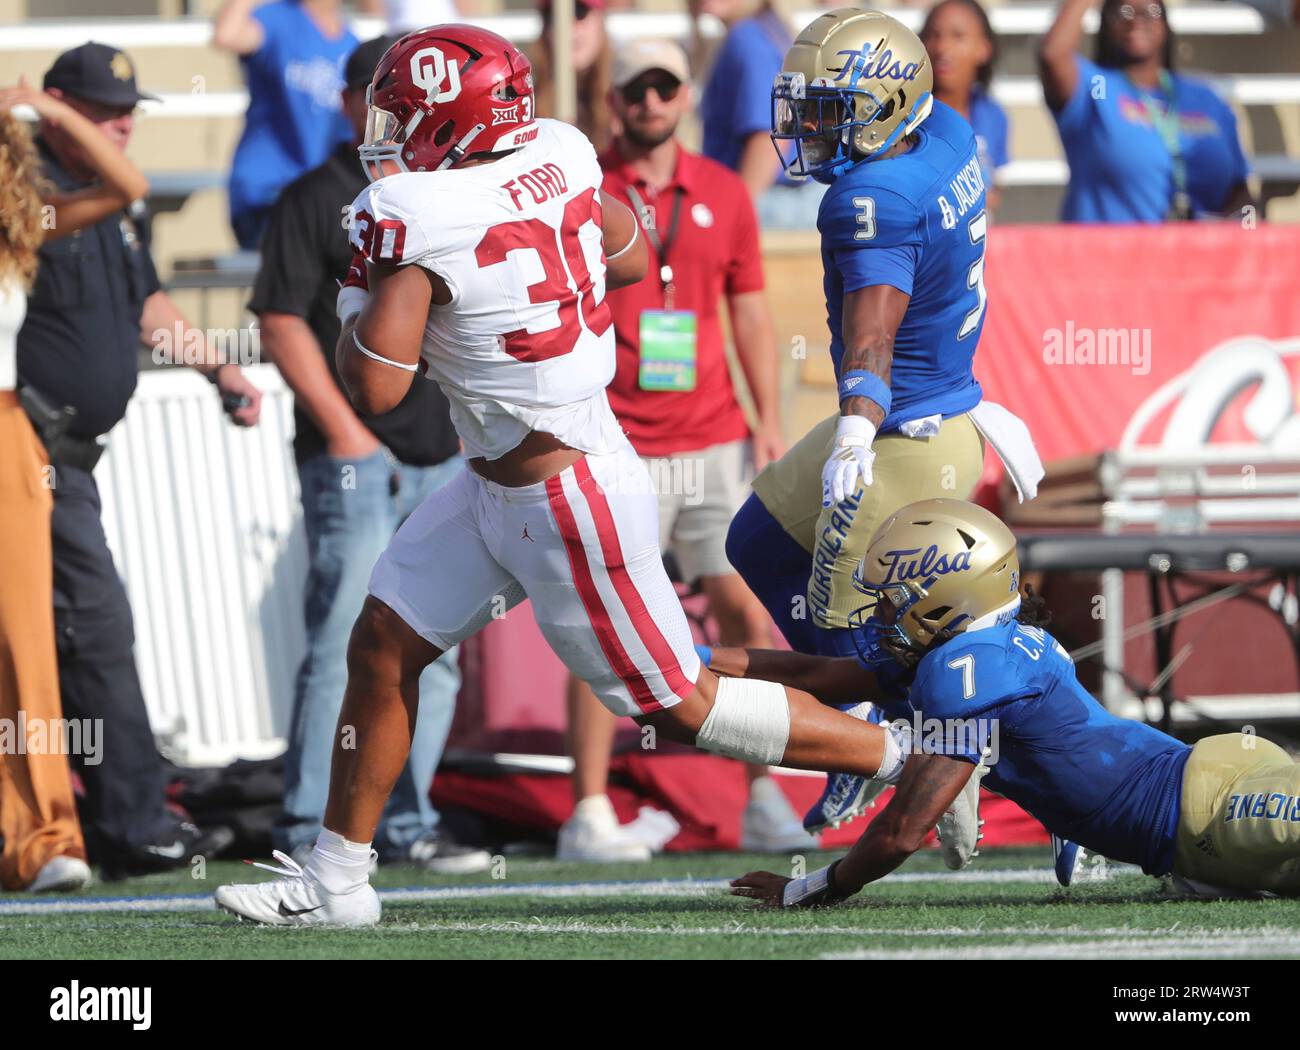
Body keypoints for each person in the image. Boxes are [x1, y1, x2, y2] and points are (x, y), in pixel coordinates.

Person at [214, 25, 921, 928]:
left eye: (404, 111)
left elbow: (377, 388)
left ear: (451, 120)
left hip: (566, 493)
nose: (386, 127)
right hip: (496, 482)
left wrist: (364, 291)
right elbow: (632, 254)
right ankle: (337, 880)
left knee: (679, 704)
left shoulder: (412, 217)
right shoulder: (561, 149)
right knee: (384, 648)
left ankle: (905, 753)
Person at [725, 8, 1043, 845]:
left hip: (902, 432)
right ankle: (890, 723)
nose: (811, 127)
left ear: (884, 104)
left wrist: (860, 431)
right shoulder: (945, 126)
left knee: (859, 643)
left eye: (832, 109)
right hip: (937, 402)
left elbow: (873, 334)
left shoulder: (871, 198)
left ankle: (998, 766)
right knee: (758, 539)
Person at [720, 498, 1300, 906]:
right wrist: (677, 661)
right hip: (1205, 811)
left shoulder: (968, 664)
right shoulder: (977, 649)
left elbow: (903, 829)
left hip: (1211, 808)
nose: (879, 615)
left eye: (893, 599)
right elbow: (809, 672)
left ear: (947, 597)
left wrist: (811, 889)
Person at [556, 39, 808, 862]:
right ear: (615, 99)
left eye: (665, 87)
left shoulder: (726, 189)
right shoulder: (584, 186)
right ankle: (588, 809)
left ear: (686, 96)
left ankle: (763, 795)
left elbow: (750, 311)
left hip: (711, 436)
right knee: (602, 622)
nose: (652, 102)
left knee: (742, 609)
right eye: (637, 88)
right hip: (616, 436)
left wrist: (768, 416)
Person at [16, 42, 262, 879]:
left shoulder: (112, 203)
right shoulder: (28, 190)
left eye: (128, 110)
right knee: (95, 627)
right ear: (53, 105)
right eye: (100, 108)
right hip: (31, 454)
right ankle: (130, 824)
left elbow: (146, 300)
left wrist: (218, 368)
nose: (122, 121)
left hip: (70, 460)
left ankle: (105, 819)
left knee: (68, 633)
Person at [249, 36, 489, 875]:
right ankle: (306, 826)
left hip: (437, 452)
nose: (395, 115)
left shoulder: (443, 194)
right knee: (345, 644)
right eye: (380, 98)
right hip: (354, 456)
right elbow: (279, 319)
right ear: (353, 103)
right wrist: (347, 428)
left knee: (438, 653)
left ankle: (405, 822)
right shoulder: (318, 195)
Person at [0, 76, 155, 893]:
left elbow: (128, 187)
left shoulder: (20, 228)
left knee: (25, 647)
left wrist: (49, 109)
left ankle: (41, 838)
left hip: (8, 438)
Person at [1039, 0, 1252, 222]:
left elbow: (1243, 196)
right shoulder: (1099, 87)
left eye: (1152, 10)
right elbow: (1053, 54)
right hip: (1110, 253)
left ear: (1165, 23)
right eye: (1124, 11)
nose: (1137, 20)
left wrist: (1236, 229)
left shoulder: (1206, 99)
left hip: (1198, 252)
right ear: (1105, 23)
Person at [214, 0, 357, 249]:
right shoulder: (278, 19)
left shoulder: (350, 42)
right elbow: (227, 35)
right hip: (268, 192)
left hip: (322, 196)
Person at [694, 0, 823, 227]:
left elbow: (768, 139)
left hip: (770, 205)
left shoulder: (747, 39)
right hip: (791, 201)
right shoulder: (764, 32)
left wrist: (732, 218)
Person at [919, 0, 1008, 211]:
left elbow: (994, 191)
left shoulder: (993, 116)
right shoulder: (905, 116)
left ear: (984, 49)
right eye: (934, 36)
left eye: (957, 36)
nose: (942, 48)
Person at [531, 0, 614, 152]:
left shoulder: (625, 98)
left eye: (579, 12)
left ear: (601, 21)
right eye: (553, 17)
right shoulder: (528, 106)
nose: (568, 29)